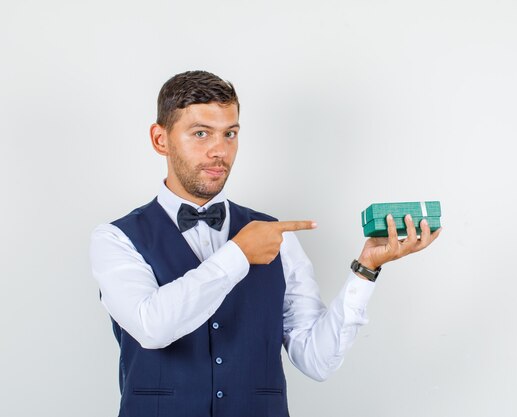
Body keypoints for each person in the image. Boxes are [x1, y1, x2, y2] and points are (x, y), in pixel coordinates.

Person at [90, 70, 441, 417]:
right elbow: (153, 328)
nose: (219, 151)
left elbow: (316, 360)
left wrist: (366, 269)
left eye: (230, 134)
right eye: (201, 133)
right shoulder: (116, 239)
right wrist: (239, 253)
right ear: (160, 139)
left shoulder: (278, 237)